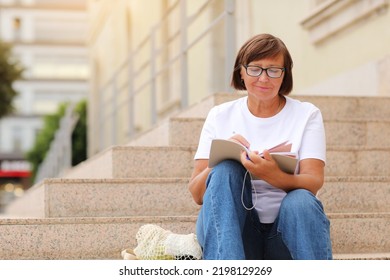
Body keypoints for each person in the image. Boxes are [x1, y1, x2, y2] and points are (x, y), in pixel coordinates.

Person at [188, 33, 333, 260]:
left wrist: (273, 175)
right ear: (241, 72)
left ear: (285, 75)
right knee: (226, 169)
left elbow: (313, 182)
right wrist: (223, 156)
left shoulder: (307, 114)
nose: (264, 78)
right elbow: (197, 194)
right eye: (255, 68)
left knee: (301, 201)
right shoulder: (220, 116)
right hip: (235, 235)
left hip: (284, 234)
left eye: (274, 70)